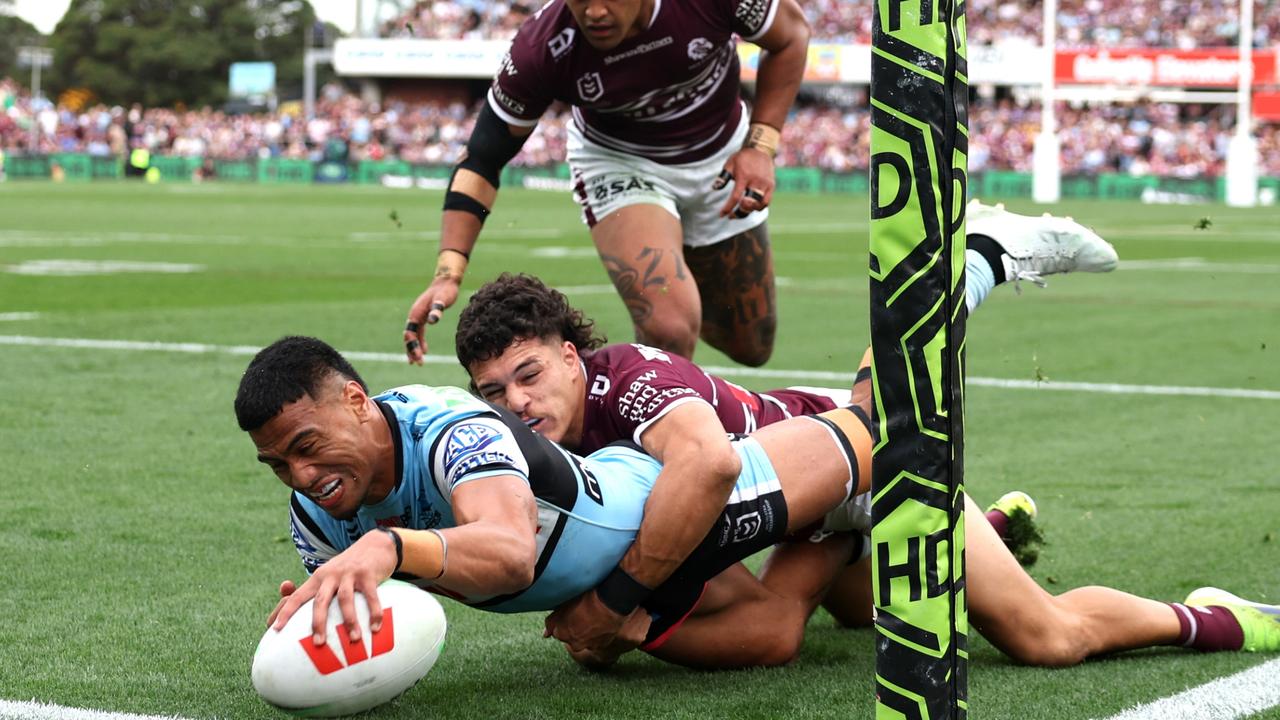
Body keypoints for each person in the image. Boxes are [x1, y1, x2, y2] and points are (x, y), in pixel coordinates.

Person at [238, 337, 1280, 673]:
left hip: (793, 473)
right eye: (277, 464)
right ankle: (964, 532)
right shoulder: (323, 503)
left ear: (359, 402)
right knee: (815, 622)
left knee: (1036, 635)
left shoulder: (455, 433)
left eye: (308, 445)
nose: (301, 475)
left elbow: (505, 555)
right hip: (683, 541)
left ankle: (952, 280)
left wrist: (395, 554)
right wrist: (332, 599)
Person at [402, 0, 811, 368]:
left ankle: (681, 257)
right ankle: (639, 429)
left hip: (721, 156)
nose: (595, 12)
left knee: (753, 347)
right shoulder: (541, 48)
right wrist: (448, 273)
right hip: (618, 162)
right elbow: (482, 158)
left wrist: (761, 145)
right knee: (670, 325)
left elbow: (791, 37)